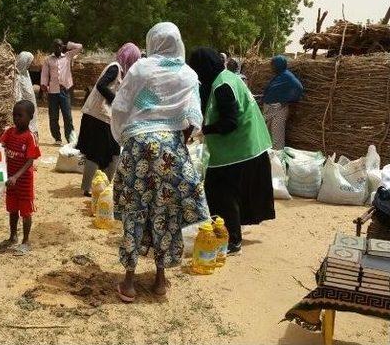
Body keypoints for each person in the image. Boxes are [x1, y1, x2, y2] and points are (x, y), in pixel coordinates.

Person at [111, 22, 210, 302]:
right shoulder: (188, 74)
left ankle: (129, 283)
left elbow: (120, 106)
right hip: (170, 149)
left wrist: (125, 138)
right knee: (165, 212)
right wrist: (177, 142)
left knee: (135, 210)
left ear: (152, 41)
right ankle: (159, 280)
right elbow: (193, 117)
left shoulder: (140, 68)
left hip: (138, 146)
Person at [189, 47, 275, 256]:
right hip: (247, 147)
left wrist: (203, 131)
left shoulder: (222, 86)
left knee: (221, 194)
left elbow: (229, 122)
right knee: (228, 194)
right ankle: (231, 233)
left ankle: (232, 241)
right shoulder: (227, 77)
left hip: (238, 149)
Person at [76, 42, 141, 197]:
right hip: (99, 116)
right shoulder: (115, 68)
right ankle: (91, 187)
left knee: (109, 150)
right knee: (100, 151)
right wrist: (116, 100)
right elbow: (101, 85)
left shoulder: (121, 72)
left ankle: (105, 184)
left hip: (103, 117)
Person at [0, 100, 41, 256]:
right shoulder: (9, 132)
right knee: (13, 210)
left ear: (30, 117)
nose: (16, 119)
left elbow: (30, 160)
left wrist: (16, 176)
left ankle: (26, 241)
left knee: (26, 212)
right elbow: (0, 146)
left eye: (20, 116)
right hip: (11, 182)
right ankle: (12, 236)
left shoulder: (30, 137)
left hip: (23, 182)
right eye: (14, 115)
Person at [40, 39, 83, 145]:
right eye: (56, 46)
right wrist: (44, 85)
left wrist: (69, 45)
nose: (58, 48)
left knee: (67, 116)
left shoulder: (68, 56)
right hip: (53, 92)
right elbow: (45, 74)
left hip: (65, 90)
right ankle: (57, 138)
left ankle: (70, 138)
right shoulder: (48, 59)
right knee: (53, 116)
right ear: (53, 47)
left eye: (60, 46)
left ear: (62, 47)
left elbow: (80, 47)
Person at [262, 55, 303, 149]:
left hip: (278, 110)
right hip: (269, 109)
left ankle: (278, 158)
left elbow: (299, 87)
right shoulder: (280, 76)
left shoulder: (287, 76)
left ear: (278, 65)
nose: (271, 67)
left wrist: (284, 101)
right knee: (265, 133)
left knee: (277, 135)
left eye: (272, 65)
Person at [14, 51, 39, 140]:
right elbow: (17, 96)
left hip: (30, 107)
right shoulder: (16, 76)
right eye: (29, 62)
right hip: (23, 109)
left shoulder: (26, 73)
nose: (31, 64)